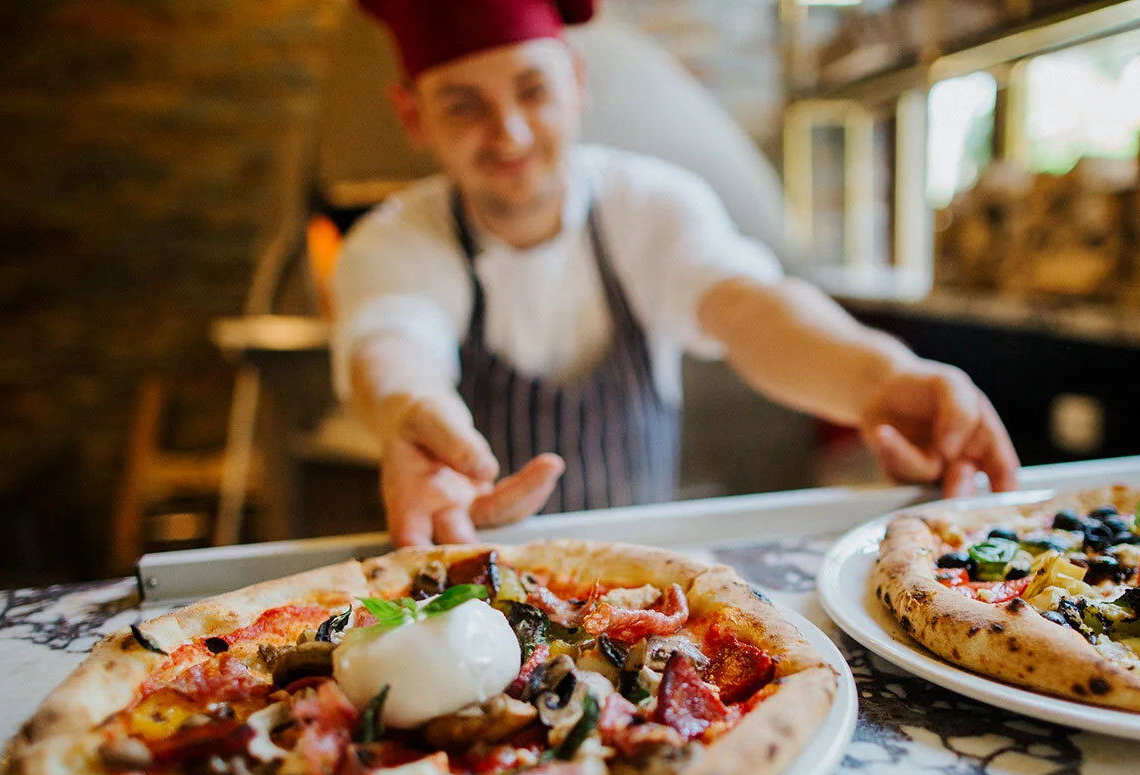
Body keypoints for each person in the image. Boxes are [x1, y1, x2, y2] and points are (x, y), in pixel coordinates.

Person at [335, 0, 1020, 546]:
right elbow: (394, 343)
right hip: (470, 578)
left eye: (533, 89)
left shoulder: (650, 204)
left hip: (640, 583)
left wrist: (882, 379)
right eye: (464, 105)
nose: (509, 132)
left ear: (576, 83)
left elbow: (752, 309)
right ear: (412, 116)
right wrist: (408, 412)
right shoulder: (393, 240)